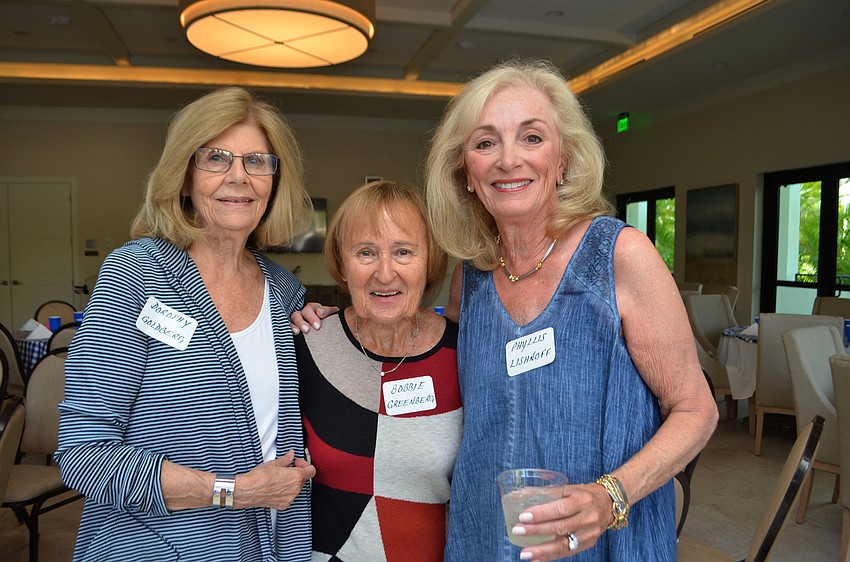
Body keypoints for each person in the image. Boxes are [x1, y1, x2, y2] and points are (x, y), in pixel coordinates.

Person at [294, 58, 718, 561]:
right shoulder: (471, 279)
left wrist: (611, 497)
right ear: (466, 172)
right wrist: (332, 321)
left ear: (563, 160)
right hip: (482, 541)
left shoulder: (618, 257)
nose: (507, 159)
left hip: (596, 541)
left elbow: (696, 409)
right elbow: (426, 347)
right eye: (485, 142)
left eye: (532, 138)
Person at [56, 87, 317, 562]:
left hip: (267, 545)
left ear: (274, 182)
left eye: (257, 161)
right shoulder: (136, 276)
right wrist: (232, 491)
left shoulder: (284, 293)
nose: (239, 176)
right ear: (184, 176)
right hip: (150, 548)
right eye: (216, 158)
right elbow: (84, 454)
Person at [295, 181, 462, 561]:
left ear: (429, 261)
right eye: (366, 252)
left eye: (403, 252)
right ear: (342, 262)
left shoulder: (463, 354)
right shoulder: (307, 347)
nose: (385, 273)